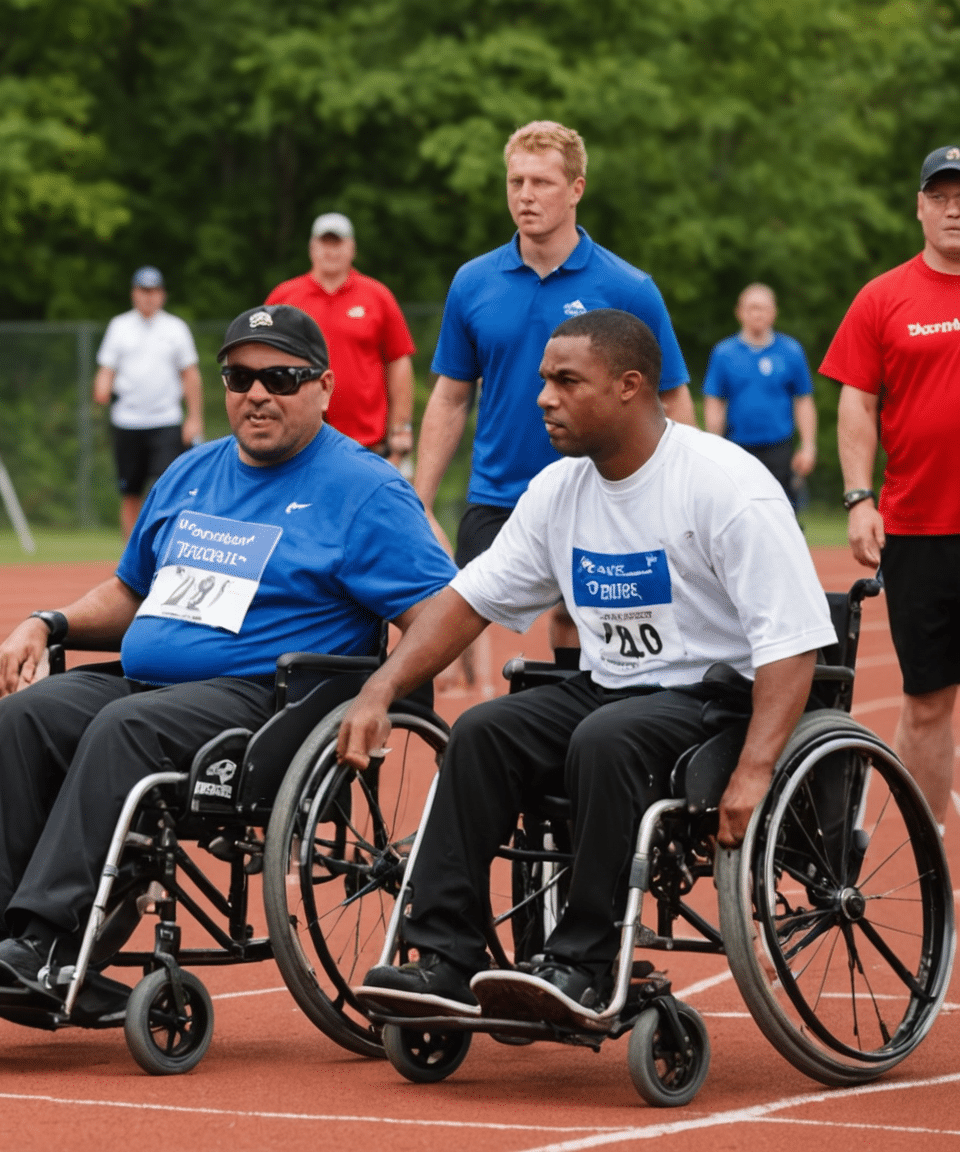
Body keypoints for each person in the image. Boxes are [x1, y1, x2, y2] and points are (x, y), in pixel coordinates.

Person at [0, 305, 455, 1000]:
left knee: (121, 731)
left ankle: (46, 942)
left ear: (324, 386)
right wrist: (47, 622)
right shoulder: (192, 472)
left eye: (280, 377)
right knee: (20, 718)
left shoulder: (365, 490)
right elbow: (131, 593)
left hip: (264, 705)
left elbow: (444, 614)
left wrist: (380, 692)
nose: (257, 393)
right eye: (240, 376)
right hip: (150, 685)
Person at [346, 309, 834, 1019]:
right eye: (544, 380)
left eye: (566, 381)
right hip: (610, 691)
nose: (543, 397)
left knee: (607, 738)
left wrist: (756, 767)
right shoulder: (559, 489)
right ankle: (445, 957)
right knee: (483, 731)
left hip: (714, 700)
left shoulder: (724, 484)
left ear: (631, 386)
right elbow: (466, 600)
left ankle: (583, 961)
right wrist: (383, 686)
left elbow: (792, 640)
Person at [414, 120, 695, 687]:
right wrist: (417, 500)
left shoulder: (627, 287)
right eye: (515, 181)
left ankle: (573, 722)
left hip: (598, 490)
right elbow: (450, 396)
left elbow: (672, 397)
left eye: (541, 182)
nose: (525, 195)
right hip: (498, 492)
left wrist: (683, 494)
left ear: (576, 189)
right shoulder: (473, 283)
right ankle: (466, 750)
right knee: (454, 615)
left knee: (579, 617)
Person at [821, 144, 960, 829]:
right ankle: (929, 863)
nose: (954, 207)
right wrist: (858, 497)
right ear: (920, 206)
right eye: (941, 194)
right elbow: (857, 404)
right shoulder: (883, 296)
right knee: (929, 699)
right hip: (921, 529)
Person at [265, 213, 418, 464]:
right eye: (325, 243)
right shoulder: (284, 298)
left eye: (338, 243)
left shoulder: (377, 296)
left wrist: (401, 430)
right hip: (297, 445)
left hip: (367, 446)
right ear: (312, 248)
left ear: (352, 248)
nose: (331, 251)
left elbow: (399, 362)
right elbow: (263, 363)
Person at [95, 267, 203, 536]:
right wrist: (102, 386)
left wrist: (194, 418)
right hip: (127, 421)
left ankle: (162, 549)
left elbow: (190, 375)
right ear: (134, 294)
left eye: (153, 291)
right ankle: (131, 559)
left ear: (162, 295)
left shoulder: (175, 328)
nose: (148, 297)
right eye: (143, 291)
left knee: (167, 487)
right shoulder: (119, 326)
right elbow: (106, 369)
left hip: (165, 420)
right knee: (130, 490)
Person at [703, 283, 816, 506]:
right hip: (737, 448)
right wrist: (713, 447)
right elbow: (714, 402)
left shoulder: (791, 351)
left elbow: (803, 401)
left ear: (774, 312)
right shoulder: (724, 353)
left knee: (782, 510)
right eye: (751, 307)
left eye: (763, 308)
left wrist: (808, 446)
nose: (757, 313)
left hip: (779, 448)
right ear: (739, 312)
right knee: (738, 510)